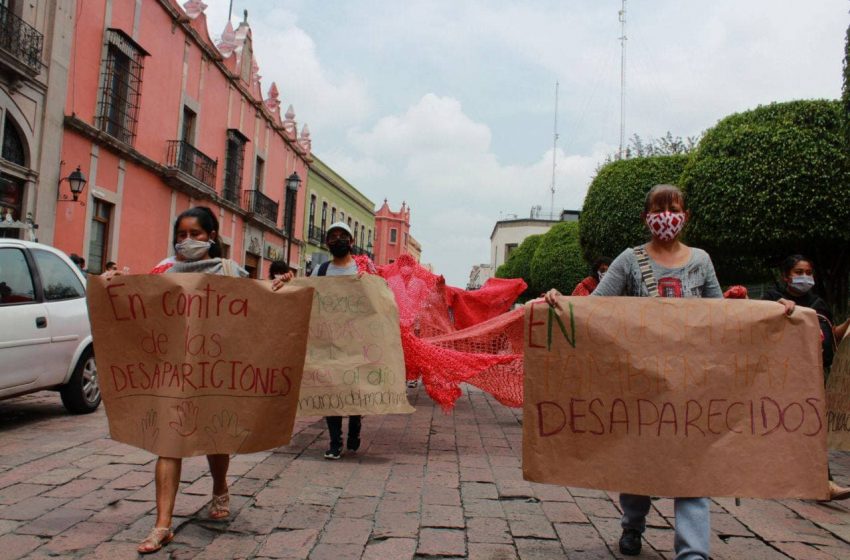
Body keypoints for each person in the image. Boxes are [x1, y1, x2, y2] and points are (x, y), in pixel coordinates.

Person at [545, 184, 720, 559]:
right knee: (640, 461)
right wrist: (560, 303)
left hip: (690, 385)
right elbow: (594, 308)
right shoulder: (629, 260)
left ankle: (693, 553)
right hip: (640, 384)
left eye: (673, 207)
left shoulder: (702, 261)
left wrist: (777, 313)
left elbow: (722, 317)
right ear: (646, 218)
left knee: (693, 465)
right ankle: (633, 524)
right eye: (659, 208)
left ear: (685, 215)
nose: (666, 215)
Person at [137, 206, 248, 554]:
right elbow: (142, 308)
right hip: (173, 370)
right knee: (168, 442)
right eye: (181, 235)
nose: (187, 241)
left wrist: (280, 287)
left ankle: (220, 487)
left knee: (215, 437)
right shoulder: (163, 270)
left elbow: (259, 311)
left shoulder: (230, 271)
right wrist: (113, 289)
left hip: (216, 372)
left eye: (195, 234)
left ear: (211, 237)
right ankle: (162, 525)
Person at [762, 254, 850, 501]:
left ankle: (823, 481)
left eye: (808, 272)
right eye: (799, 272)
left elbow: (832, 334)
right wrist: (776, 310)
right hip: (780, 375)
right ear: (785, 276)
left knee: (813, 425)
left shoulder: (818, 303)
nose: (805, 277)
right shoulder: (771, 299)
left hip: (812, 375)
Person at [274, 221, 363, 460]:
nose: (337, 240)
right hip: (328, 342)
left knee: (354, 390)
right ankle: (335, 442)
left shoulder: (362, 270)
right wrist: (288, 281)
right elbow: (306, 293)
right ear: (327, 243)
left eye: (342, 236)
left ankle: (354, 427)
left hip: (355, 341)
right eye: (332, 236)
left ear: (351, 241)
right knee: (330, 390)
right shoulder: (320, 271)